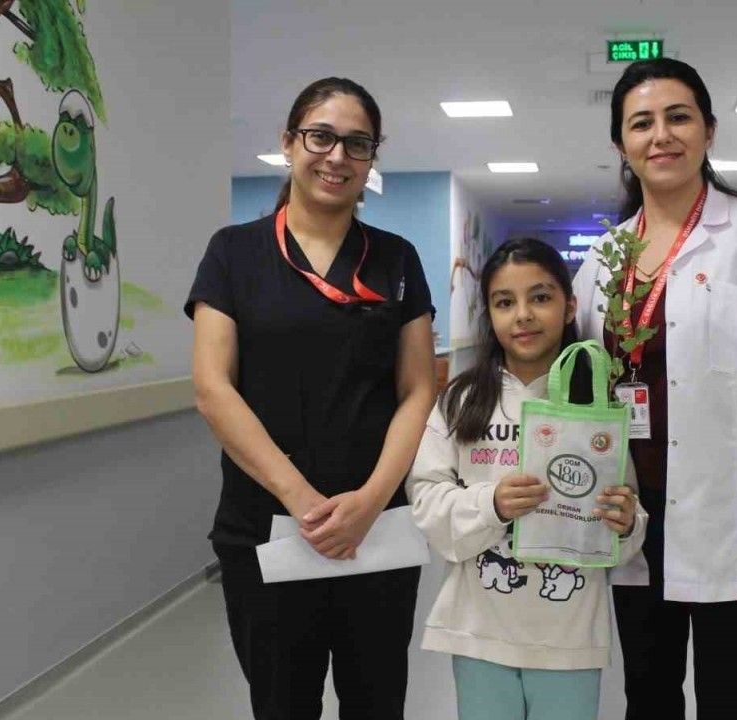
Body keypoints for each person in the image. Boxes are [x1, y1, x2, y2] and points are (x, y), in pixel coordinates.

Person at [572, 58, 737, 719]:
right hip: (631, 513)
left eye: (678, 117)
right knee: (647, 694)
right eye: (641, 123)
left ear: (709, 131)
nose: (661, 135)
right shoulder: (602, 259)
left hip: (731, 513)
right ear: (621, 144)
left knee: (733, 697)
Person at [185, 76, 436, 720]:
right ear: (289, 142)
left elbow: (417, 389)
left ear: (372, 157)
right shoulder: (234, 253)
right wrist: (304, 503)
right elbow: (213, 388)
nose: (337, 157)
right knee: (282, 703)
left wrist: (371, 500)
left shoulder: (396, 259)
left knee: (376, 703)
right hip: (266, 529)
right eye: (321, 137)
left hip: (377, 531)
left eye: (358, 144)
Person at [407, 238, 648, 720]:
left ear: (569, 306)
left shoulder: (597, 405)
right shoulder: (461, 401)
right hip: (479, 629)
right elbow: (426, 499)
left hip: (569, 636)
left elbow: (628, 515)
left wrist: (626, 524)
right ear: (489, 314)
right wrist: (492, 504)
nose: (523, 315)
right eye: (504, 302)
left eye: (540, 297)